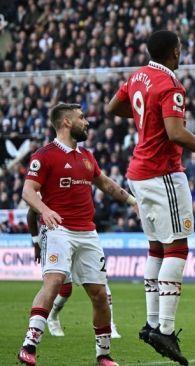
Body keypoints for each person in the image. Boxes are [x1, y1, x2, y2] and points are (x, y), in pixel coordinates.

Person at [107, 30, 195, 365]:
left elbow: (113, 107)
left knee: (156, 247)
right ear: (175, 52)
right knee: (177, 247)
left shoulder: (137, 76)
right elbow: (175, 133)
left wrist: (144, 119)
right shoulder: (170, 85)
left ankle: (151, 325)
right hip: (162, 172)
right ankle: (164, 328)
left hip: (138, 172)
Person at [18, 103, 136, 366]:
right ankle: (29, 345)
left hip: (88, 232)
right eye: (82, 118)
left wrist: (132, 202)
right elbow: (27, 192)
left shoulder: (86, 156)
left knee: (100, 295)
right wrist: (45, 210)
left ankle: (103, 355)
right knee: (55, 281)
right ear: (66, 122)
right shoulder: (45, 155)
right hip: (58, 229)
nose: (87, 122)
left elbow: (105, 183)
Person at [26, 208, 121, 338]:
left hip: (83, 236)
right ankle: (52, 317)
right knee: (65, 289)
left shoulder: (81, 189)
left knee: (99, 284)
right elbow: (31, 214)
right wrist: (36, 242)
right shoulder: (45, 190)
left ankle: (110, 325)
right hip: (56, 238)